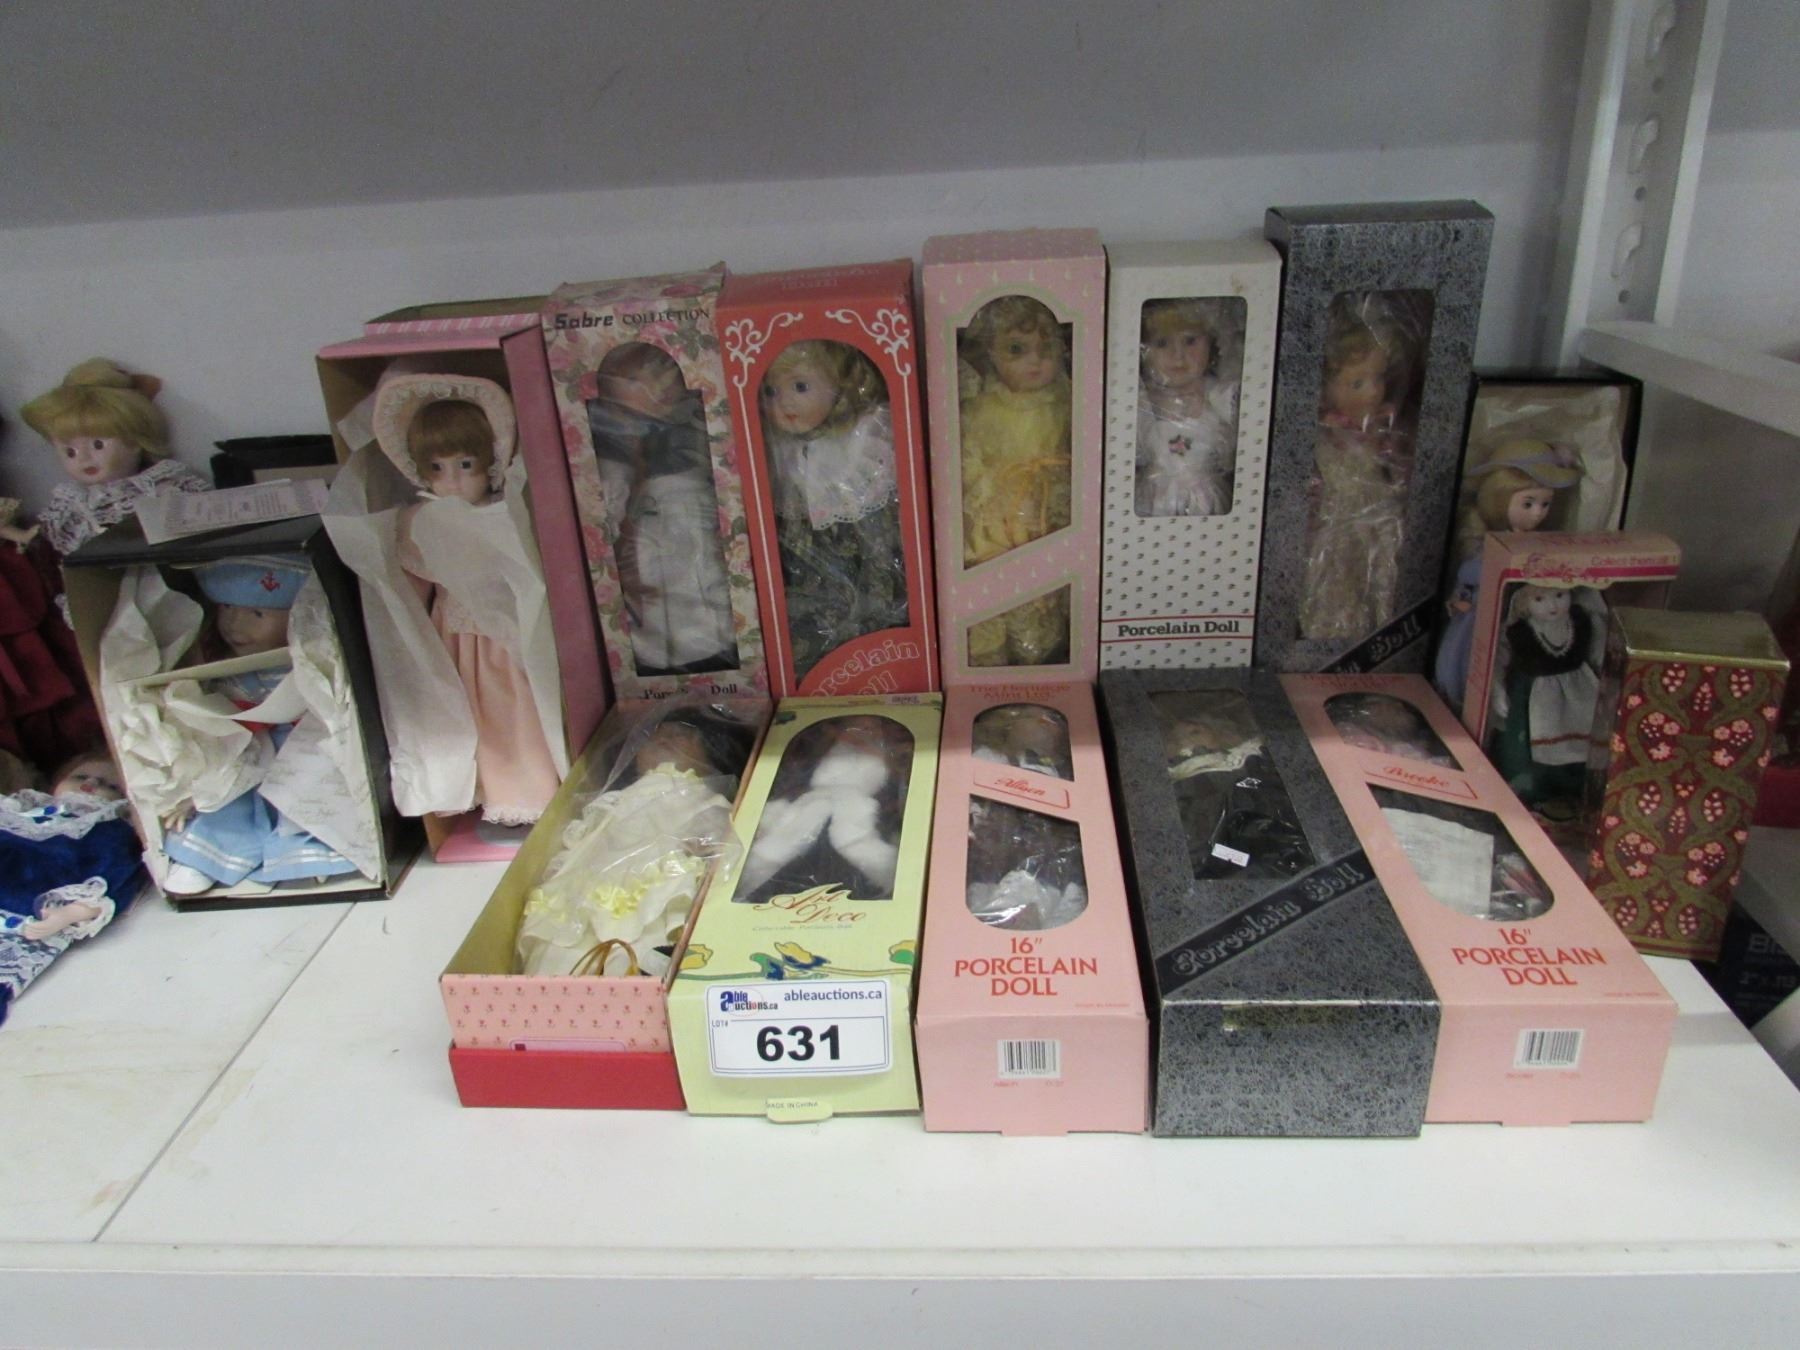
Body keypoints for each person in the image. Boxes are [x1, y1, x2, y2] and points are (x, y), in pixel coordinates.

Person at [161, 556, 361, 894]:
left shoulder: (316, 662)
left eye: (257, 614)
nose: (234, 624)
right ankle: (212, 855)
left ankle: (308, 854)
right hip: (247, 747)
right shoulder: (226, 667)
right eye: (226, 608)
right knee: (230, 797)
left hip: (305, 745)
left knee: (309, 792)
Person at [515, 704, 756, 978]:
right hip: (597, 874)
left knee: (649, 923)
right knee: (567, 941)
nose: (663, 740)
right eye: (654, 736)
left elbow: (717, 831)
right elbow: (584, 837)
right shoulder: (615, 800)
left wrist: (707, 851)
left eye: (681, 735)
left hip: (659, 871)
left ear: (712, 749)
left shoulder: (700, 793)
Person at [759, 340, 908, 679]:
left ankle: (879, 656)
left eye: (800, 387)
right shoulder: (777, 448)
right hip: (804, 554)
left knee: (873, 598)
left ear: (840, 386)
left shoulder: (860, 439)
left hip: (860, 541)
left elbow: (883, 527)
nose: (784, 403)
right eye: (770, 391)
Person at [588, 343, 738, 675]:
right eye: (635, 380)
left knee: (701, 578)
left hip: (693, 514)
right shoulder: (614, 456)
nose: (656, 387)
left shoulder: (697, 425)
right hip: (653, 530)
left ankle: (712, 647)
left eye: (660, 374)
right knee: (661, 590)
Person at [958, 296, 1073, 667]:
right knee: (994, 578)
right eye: (1017, 350)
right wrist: (984, 488)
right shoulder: (980, 409)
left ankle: (1040, 657)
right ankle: (989, 657)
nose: (1035, 361)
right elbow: (967, 457)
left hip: (1049, 509)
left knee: (1046, 584)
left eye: (1046, 349)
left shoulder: (1068, 402)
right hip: (1000, 514)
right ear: (992, 353)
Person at [1298, 295, 1418, 641]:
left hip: (1381, 521)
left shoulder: (1385, 430)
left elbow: (1399, 470)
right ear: (1326, 387)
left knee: (1382, 579)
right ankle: (1328, 637)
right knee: (1336, 581)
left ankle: (1376, 635)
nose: (1372, 393)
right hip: (1337, 524)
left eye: (1378, 379)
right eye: (1357, 383)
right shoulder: (1325, 434)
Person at [1433, 438, 1581, 710]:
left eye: (1545, 504)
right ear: (1499, 499)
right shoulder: (1486, 542)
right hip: (1486, 610)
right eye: (1528, 504)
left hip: (1524, 613)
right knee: (1472, 659)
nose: (1537, 514)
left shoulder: (1539, 541)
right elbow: (1469, 575)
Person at [20, 359, 209, 562]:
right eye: (70, 452)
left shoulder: (156, 488)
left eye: (98, 445)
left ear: (135, 441)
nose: (84, 458)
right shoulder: (73, 502)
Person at [1135, 298, 1240, 517]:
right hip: (1154, 501)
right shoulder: (1141, 401)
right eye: (1162, 343)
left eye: (1190, 341)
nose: (1178, 355)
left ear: (1211, 341)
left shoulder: (1220, 397)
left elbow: (1231, 454)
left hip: (1204, 502)